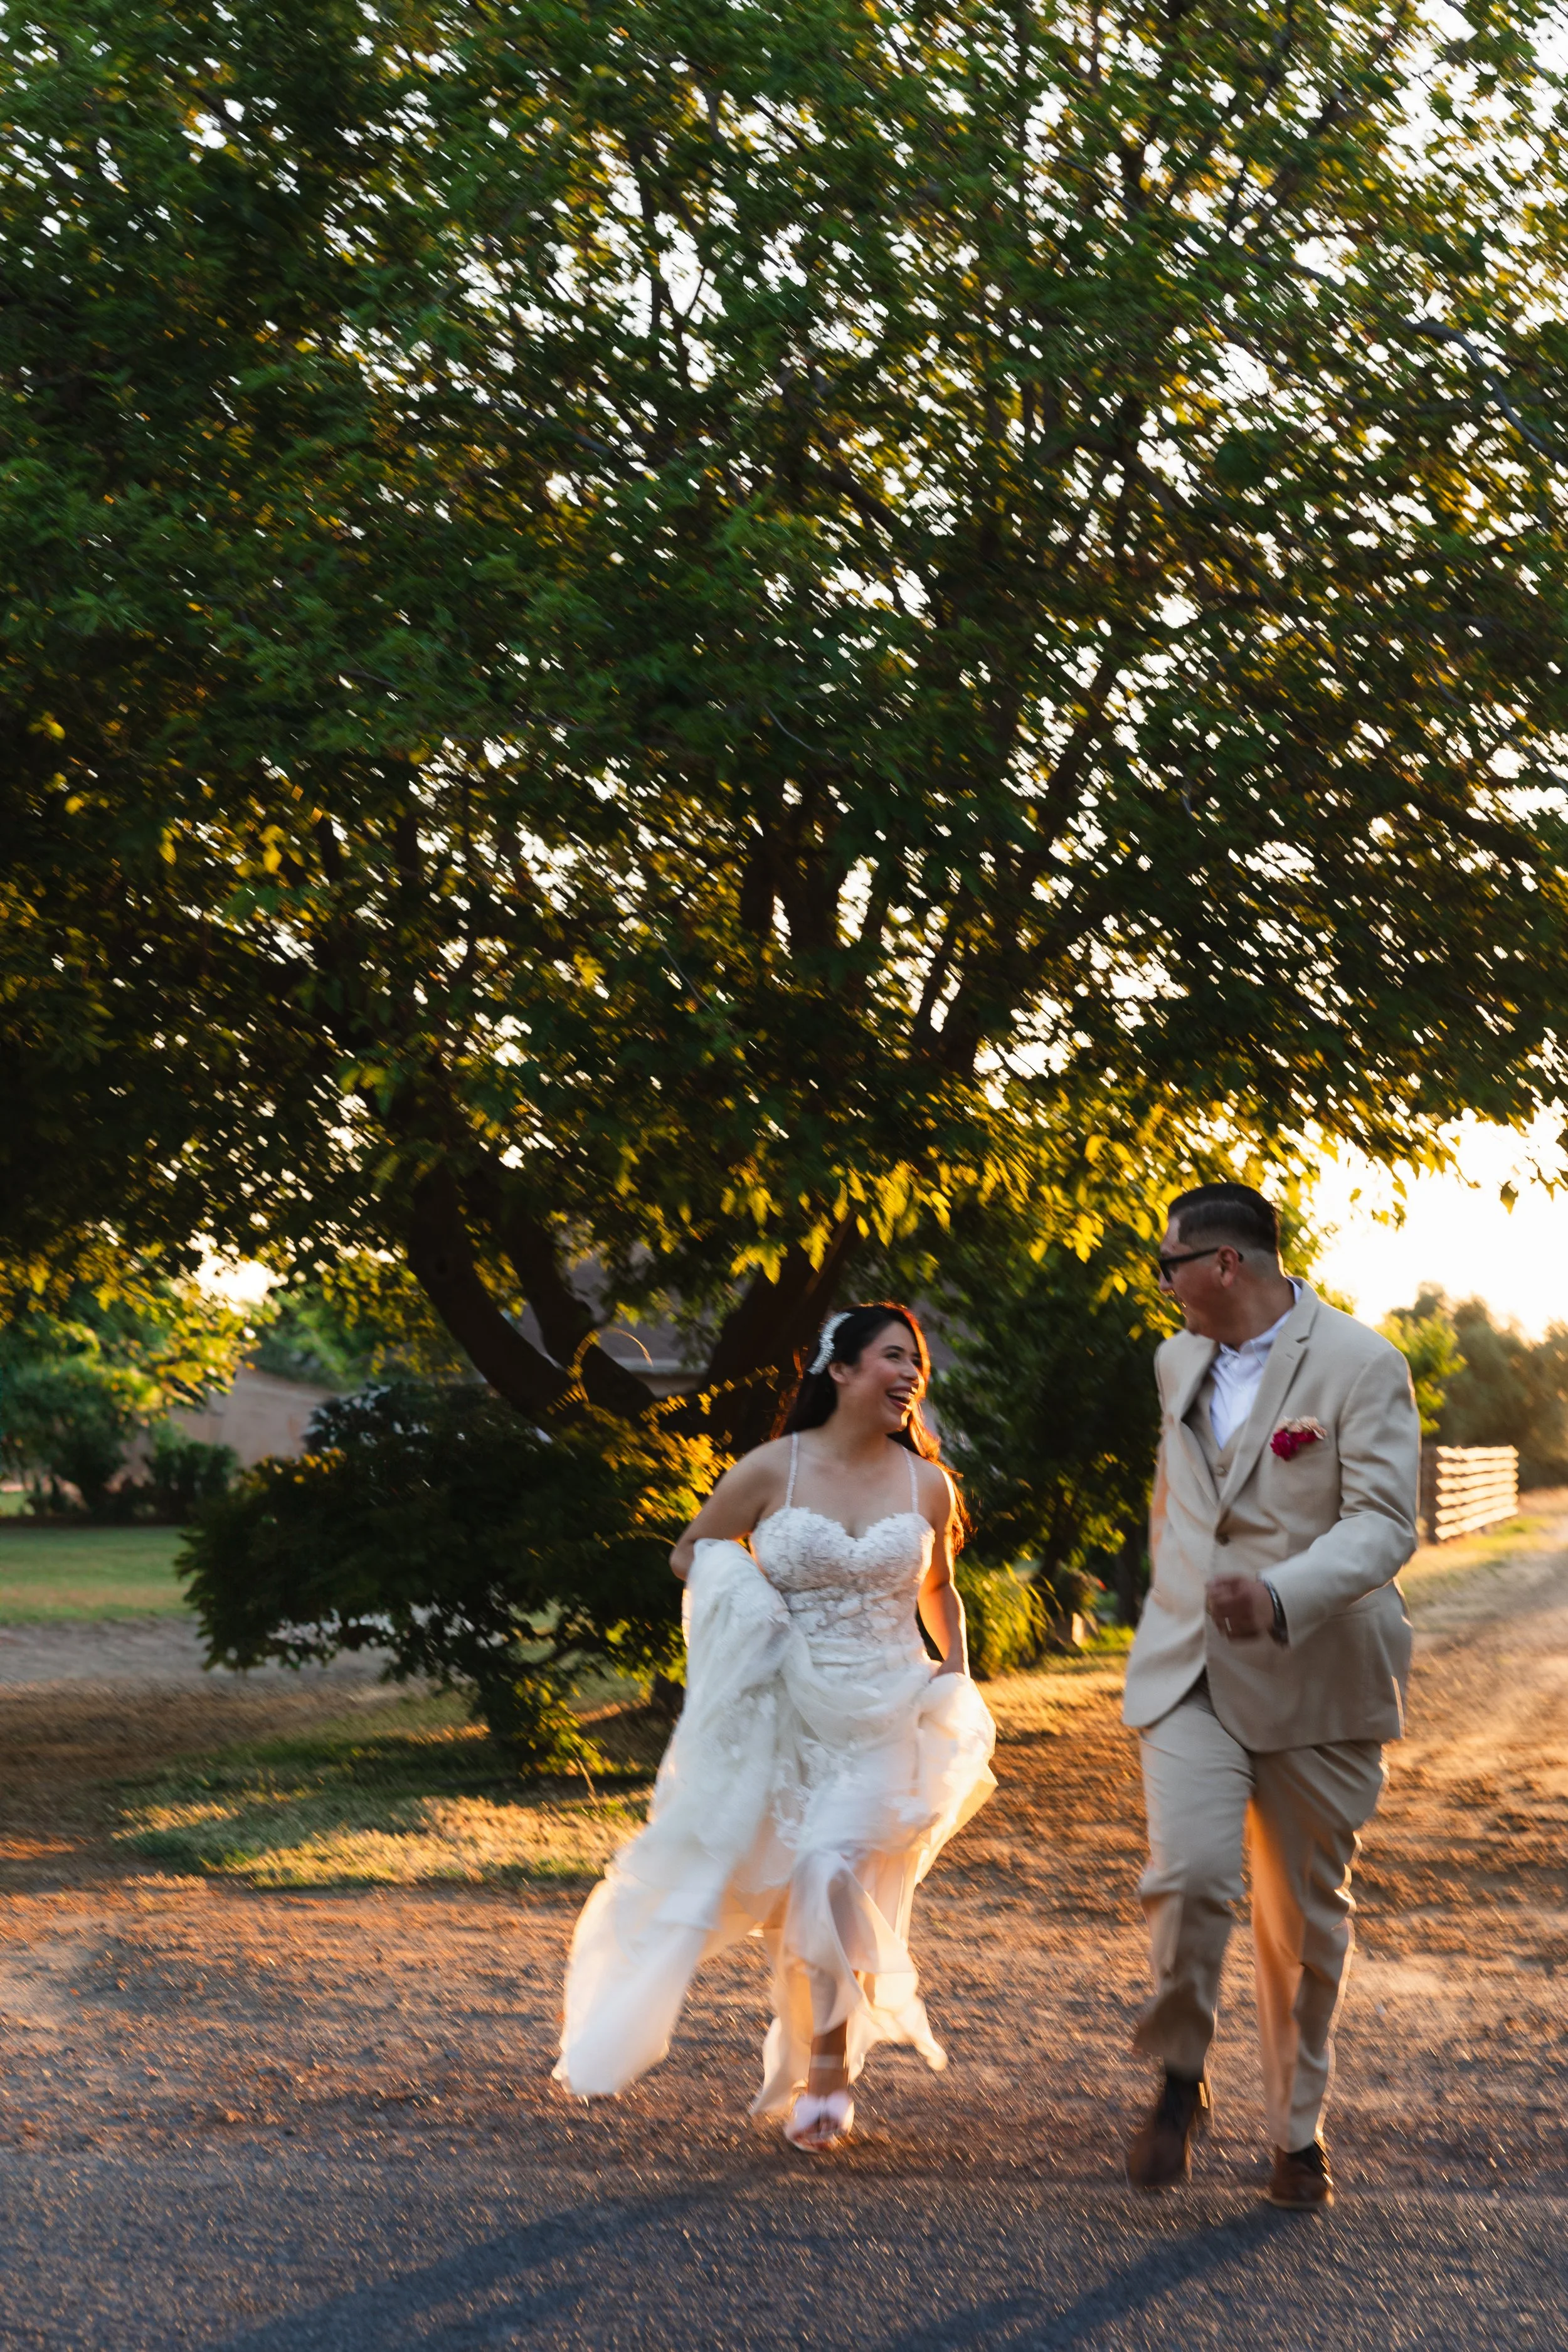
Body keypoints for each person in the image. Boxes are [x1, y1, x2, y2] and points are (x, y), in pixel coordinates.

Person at [554, 1302, 996, 2151]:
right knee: (798, 1893)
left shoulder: (927, 1483)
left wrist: (956, 1666)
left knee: (831, 1870)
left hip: (886, 1710)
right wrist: (749, 1597)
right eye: (893, 1357)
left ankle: (827, 2073)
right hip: (789, 1707)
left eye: (918, 1364)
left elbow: (938, 1587)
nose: (911, 1375)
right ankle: (812, 2054)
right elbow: (692, 1550)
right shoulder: (771, 1469)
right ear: (840, 1369)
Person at [1121, 1182, 1420, 2210]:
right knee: (1193, 1875)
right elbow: (1182, 1489)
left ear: (1225, 1265)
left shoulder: (1362, 1362)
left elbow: (1386, 1523)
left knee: (1304, 1923)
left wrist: (1281, 1591)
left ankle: (1297, 2133)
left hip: (1315, 1672)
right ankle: (1177, 2076)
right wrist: (1175, 1581)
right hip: (1189, 1664)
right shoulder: (1175, 1361)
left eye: (1170, 1265)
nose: (1162, 1284)